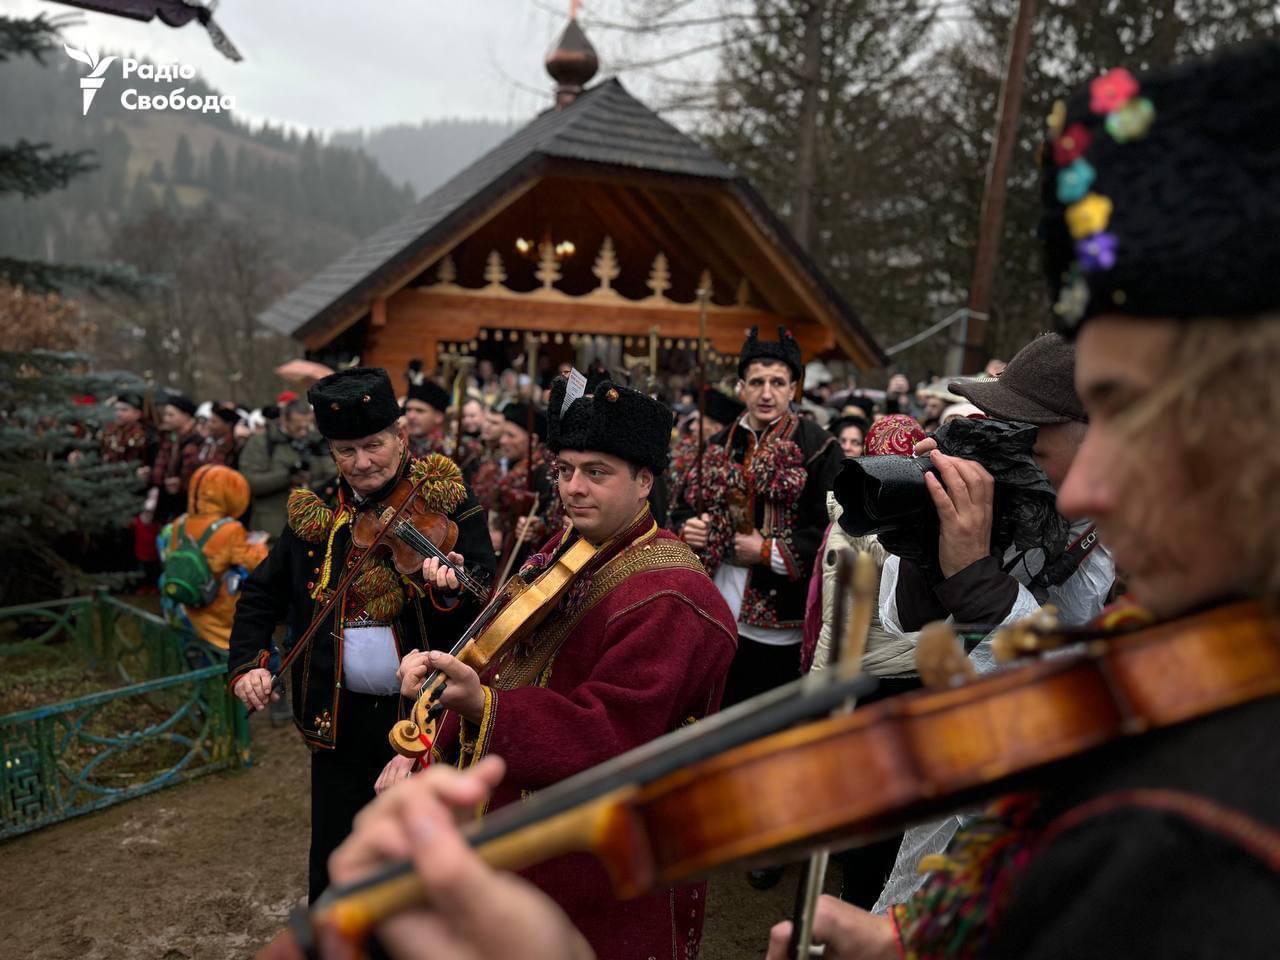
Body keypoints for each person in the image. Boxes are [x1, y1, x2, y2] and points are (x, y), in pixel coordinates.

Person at [313, 42, 1280, 960]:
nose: (1093, 485)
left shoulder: (1213, 838)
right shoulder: (1186, 678)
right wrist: (911, 940)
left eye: (1142, 413)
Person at [382, 376, 737, 960]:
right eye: (565, 469)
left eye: (597, 472)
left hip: (602, 865)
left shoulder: (673, 597)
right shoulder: (570, 546)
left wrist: (482, 707)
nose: (574, 488)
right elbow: (498, 661)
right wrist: (424, 739)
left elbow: (610, 732)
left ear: (645, 481)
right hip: (521, 841)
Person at [228, 366, 496, 903]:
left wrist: (445, 588)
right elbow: (261, 595)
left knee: (418, 867)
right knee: (337, 864)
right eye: (346, 451)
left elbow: (483, 610)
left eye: (374, 445)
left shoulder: (449, 505)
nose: (363, 463)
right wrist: (250, 663)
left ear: (401, 436)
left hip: (420, 718)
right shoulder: (321, 512)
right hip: (337, 717)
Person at [159, 463, 268, 653]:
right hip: (218, 616)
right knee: (267, 652)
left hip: (186, 607)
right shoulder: (230, 529)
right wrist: (259, 545)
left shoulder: (180, 523)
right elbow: (256, 563)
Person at [470, 401, 558, 571]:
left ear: (532, 440)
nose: (502, 441)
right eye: (502, 434)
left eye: (511, 435)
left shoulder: (544, 474)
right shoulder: (505, 466)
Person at [238, 398, 335, 541]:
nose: (303, 433)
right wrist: (288, 477)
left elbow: (332, 475)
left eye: (306, 427)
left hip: (311, 530)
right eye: (297, 427)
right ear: (284, 420)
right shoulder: (261, 443)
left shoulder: (317, 442)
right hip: (271, 531)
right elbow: (249, 482)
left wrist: (310, 487)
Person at [148, 392, 203, 524]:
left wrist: (181, 483)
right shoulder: (170, 439)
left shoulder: (198, 441)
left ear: (186, 415)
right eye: (165, 415)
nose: (166, 419)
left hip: (187, 506)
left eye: (171, 415)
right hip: (168, 504)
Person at [402, 380, 451, 458]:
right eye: (408, 410)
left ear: (438, 417)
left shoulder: (452, 450)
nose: (411, 416)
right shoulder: (399, 444)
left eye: (419, 411)